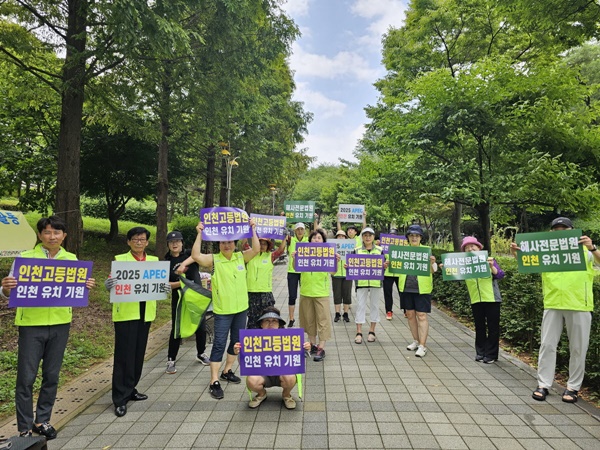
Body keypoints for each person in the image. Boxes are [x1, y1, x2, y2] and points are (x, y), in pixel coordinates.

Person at [1, 215, 96, 439]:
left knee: (52, 375)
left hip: (60, 324)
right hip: (30, 325)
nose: (52, 236)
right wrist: (5, 288)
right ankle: (24, 426)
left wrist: (86, 286)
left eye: (56, 232)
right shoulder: (25, 258)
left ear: (64, 236)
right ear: (39, 235)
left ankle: (42, 420)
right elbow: (7, 293)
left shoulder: (72, 260)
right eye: (47, 232)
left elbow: (74, 292)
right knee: (26, 377)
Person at [511, 217, 600, 403]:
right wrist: (516, 253)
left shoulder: (586, 250)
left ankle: (573, 387)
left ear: (572, 230)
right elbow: (527, 261)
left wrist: (592, 247)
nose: (560, 231)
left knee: (578, 348)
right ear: (551, 232)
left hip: (579, 305)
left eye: (564, 228)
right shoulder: (545, 250)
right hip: (552, 303)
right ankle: (543, 384)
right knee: (547, 345)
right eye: (556, 228)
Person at [190, 219, 259, 400]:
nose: (226, 245)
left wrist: (253, 229)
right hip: (222, 310)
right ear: (218, 244)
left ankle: (227, 371)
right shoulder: (214, 259)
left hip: (241, 308)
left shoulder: (240, 256)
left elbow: (257, 249)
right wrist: (199, 233)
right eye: (223, 242)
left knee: (236, 342)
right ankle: (214, 380)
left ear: (234, 243)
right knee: (219, 343)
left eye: (229, 242)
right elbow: (196, 256)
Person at [106, 226, 168, 417]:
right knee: (124, 355)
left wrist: (163, 287)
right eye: (135, 239)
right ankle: (119, 398)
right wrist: (108, 285)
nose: (139, 242)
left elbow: (158, 284)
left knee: (138, 353)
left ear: (147, 242)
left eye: (142, 239)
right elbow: (112, 283)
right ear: (129, 242)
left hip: (145, 313)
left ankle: (131, 388)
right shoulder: (120, 260)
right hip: (126, 314)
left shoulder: (154, 261)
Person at [233, 307, 311, 409]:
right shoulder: (253, 339)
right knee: (251, 380)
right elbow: (245, 363)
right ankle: (261, 394)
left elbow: (298, 358)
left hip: (283, 373)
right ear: (261, 324)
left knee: (290, 377)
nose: (271, 324)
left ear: (279, 324)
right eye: (267, 321)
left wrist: (306, 349)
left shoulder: (288, 339)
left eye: (274, 321)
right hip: (262, 374)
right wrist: (238, 352)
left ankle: (286, 395)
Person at [164, 231, 210, 375]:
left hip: (196, 299)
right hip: (179, 300)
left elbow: (196, 255)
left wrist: (199, 233)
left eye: (178, 241)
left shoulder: (190, 255)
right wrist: (182, 282)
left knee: (201, 327)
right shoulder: (165, 262)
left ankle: (201, 353)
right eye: (172, 242)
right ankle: (171, 359)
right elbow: (166, 284)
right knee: (177, 329)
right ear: (168, 245)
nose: (175, 244)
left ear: (182, 243)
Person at [295, 229, 339, 361]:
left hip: (321, 293)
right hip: (306, 292)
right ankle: (312, 345)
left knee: (323, 320)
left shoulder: (328, 254)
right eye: (314, 238)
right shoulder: (304, 253)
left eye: (319, 238)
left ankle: (321, 347)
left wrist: (335, 261)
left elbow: (333, 272)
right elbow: (296, 268)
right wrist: (295, 257)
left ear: (324, 241)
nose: (316, 240)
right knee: (308, 320)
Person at [460, 236, 505, 363]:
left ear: (479, 247)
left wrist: (492, 267)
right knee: (479, 327)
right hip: (475, 299)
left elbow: (500, 274)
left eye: (472, 246)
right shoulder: (464, 263)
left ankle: (491, 355)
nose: (470, 249)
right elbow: (455, 276)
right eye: (467, 247)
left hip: (492, 298)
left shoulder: (489, 259)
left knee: (493, 327)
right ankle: (480, 352)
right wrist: (445, 268)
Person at [398, 224, 437, 357]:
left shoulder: (426, 250)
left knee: (421, 315)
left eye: (416, 235)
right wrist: (388, 265)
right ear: (408, 237)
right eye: (411, 235)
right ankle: (415, 340)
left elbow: (434, 271)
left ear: (421, 237)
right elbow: (394, 267)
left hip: (422, 289)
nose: (414, 238)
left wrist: (432, 263)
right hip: (406, 287)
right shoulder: (402, 251)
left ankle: (423, 345)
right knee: (410, 315)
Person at [352, 227, 385, 344]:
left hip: (376, 283)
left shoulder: (380, 250)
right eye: (365, 235)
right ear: (362, 237)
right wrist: (348, 267)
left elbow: (384, 266)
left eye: (369, 235)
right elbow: (352, 265)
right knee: (360, 305)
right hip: (361, 282)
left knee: (375, 306)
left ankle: (372, 331)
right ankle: (359, 332)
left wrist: (385, 266)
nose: (367, 237)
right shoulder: (356, 250)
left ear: (373, 237)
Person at [245, 238, 286, 329]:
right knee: (252, 319)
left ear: (268, 246)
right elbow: (244, 243)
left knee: (268, 319)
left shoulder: (270, 256)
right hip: (251, 293)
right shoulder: (250, 255)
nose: (262, 246)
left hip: (265, 294)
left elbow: (280, 250)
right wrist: (247, 229)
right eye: (260, 243)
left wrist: (284, 237)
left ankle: (268, 340)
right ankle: (253, 340)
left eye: (264, 244)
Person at [286, 222, 309, 327]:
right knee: (292, 296)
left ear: (304, 231)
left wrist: (315, 219)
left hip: (304, 271)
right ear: (295, 231)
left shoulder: (308, 240)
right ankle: (291, 318)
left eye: (301, 229)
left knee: (305, 295)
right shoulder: (290, 239)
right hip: (292, 271)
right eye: (298, 229)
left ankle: (306, 317)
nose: (300, 231)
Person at [331, 229, 352, 323]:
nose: (341, 237)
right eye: (339, 236)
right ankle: (337, 313)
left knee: (347, 295)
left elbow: (355, 260)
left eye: (343, 236)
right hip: (336, 274)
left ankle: (346, 313)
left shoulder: (351, 247)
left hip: (347, 274)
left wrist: (350, 266)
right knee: (337, 295)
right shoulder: (332, 248)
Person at [383, 229, 401, 320]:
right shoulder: (384, 247)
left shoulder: (403, 246)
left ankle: (406, 310)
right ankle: (389, 311)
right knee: (387, 293)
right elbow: (379, 258)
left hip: (400, 273)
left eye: (394, 235)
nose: (392, 237)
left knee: (402, 292)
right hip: (387, 273)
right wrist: (384, 263)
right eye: (390, 235)